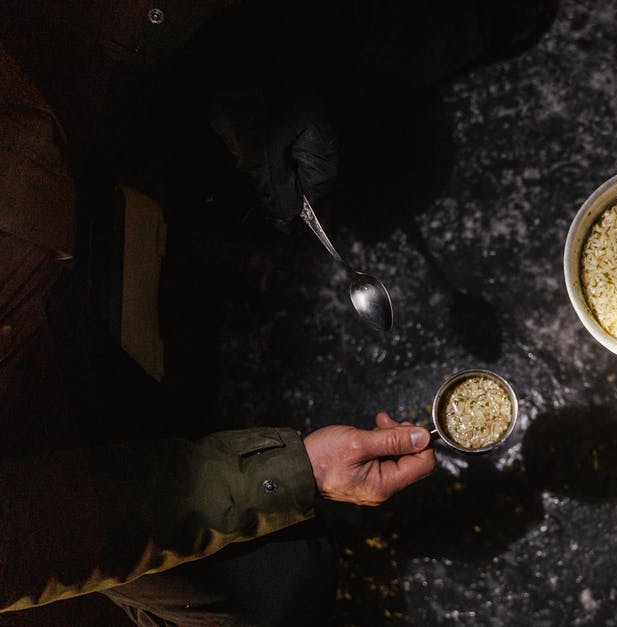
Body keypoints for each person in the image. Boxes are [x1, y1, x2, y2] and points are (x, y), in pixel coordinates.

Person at [0, 1, 554, 622]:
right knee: (270, 593)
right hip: (58, 474)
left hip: (72, 193)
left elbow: (69, 36)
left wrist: (234, 70)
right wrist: (298, 474)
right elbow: (38, 531)